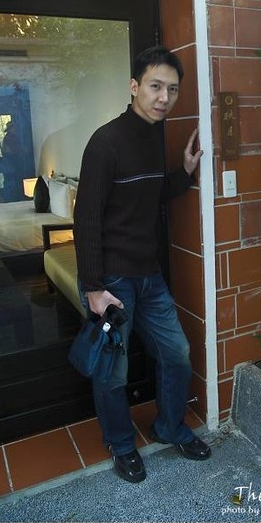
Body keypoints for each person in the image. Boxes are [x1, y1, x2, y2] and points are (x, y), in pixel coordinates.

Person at [73, 45, 211, 483]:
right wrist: (94, 288)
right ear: (134, 87)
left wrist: (184, 173)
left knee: (177, 354)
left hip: (149, 275)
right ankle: (120, 444)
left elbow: (149, 192)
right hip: (111, 280)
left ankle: (169, 427)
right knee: (113, 370)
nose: (164, 97)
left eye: (172, 89)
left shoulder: (155, 137)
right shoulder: (105, 142)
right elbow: (86, 219)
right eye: (155, 86)